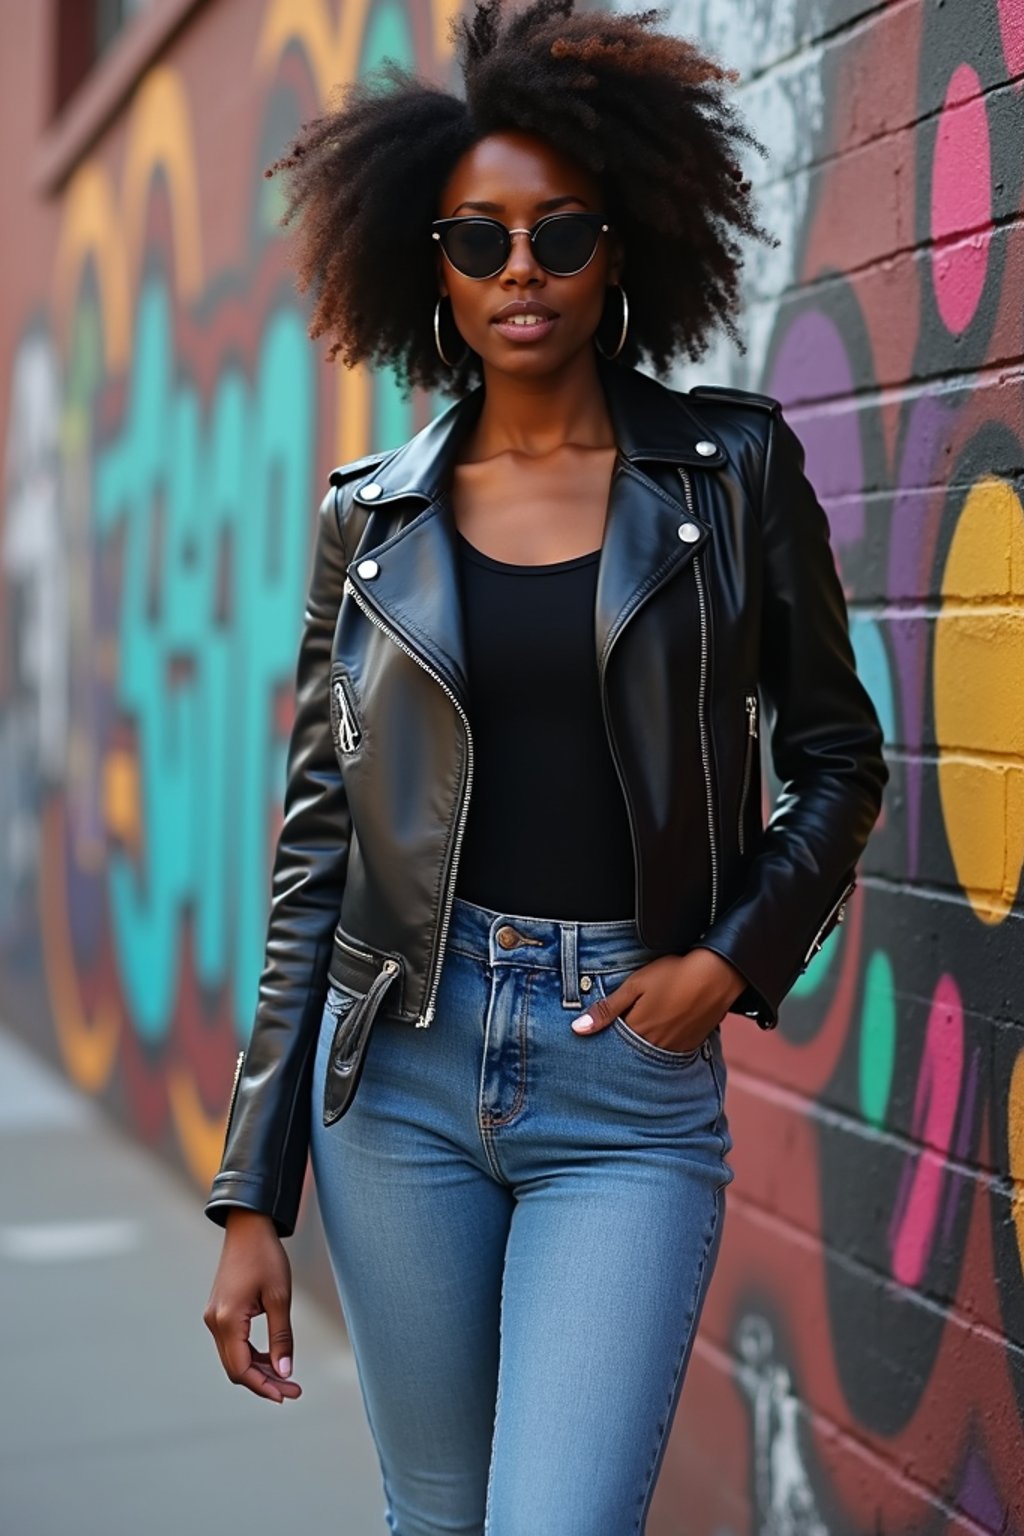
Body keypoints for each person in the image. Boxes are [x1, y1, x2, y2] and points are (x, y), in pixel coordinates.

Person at [202, 2, 888, 1531]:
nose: (522, 269)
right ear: (425, 268)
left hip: (625, 1086)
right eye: (479, 239)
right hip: (400, 1078)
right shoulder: (366, 520)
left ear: (624, 248)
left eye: (561, 234)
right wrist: (255, 1191)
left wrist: (727, 961)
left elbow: (841, 760)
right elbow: (319, 852)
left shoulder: (733, 475)